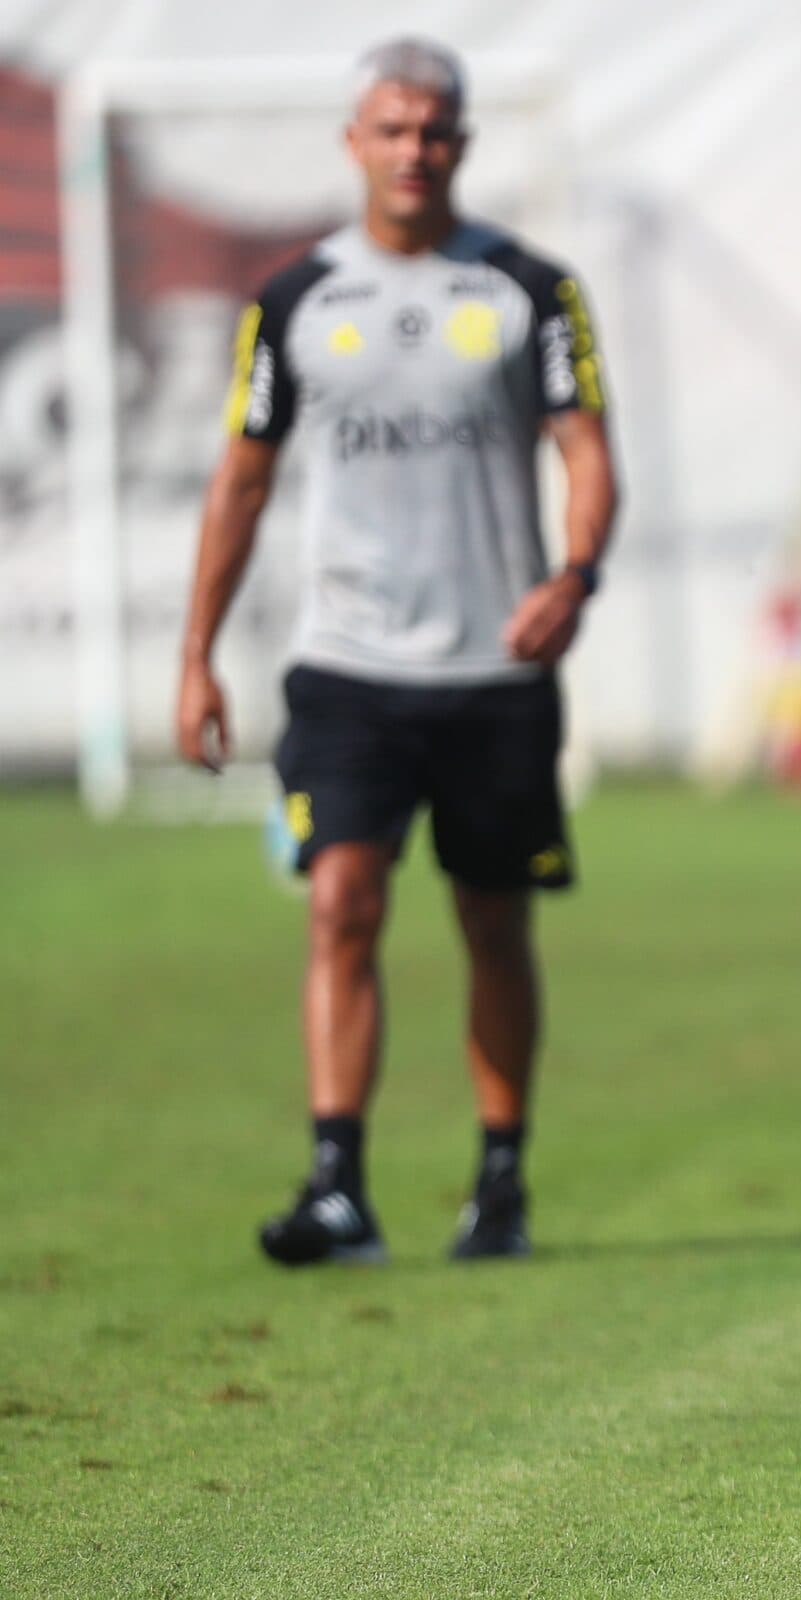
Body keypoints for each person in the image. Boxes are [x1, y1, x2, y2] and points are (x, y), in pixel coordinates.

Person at [174, 37, 617, 1267]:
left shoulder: (531, 289)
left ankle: (501, 1179)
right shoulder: (293, 301)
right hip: (349, 666)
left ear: (461, 144)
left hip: (494, 668)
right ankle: (338, 1188)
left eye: (434, 130)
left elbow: (587, 452)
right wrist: (196, 653)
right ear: (354, 142)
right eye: (393, 128)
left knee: (494, 920)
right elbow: (240, 481)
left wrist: (575, 576)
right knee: (340, 901)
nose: (414, 150)